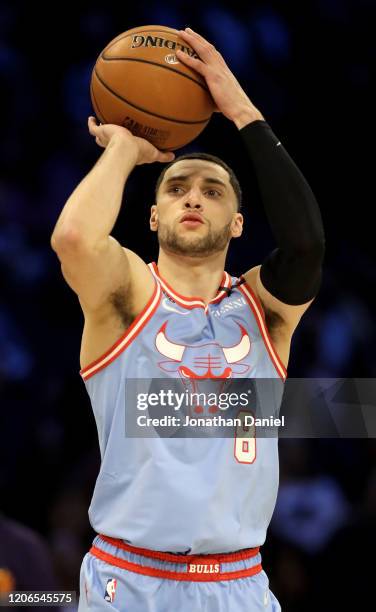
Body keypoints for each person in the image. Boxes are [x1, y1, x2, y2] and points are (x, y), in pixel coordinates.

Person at [51, 26, 325, 612]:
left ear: (239, 224)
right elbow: (74, 237)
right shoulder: (127, 294)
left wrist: (241, 109)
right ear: (152, 217)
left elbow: (306, 247)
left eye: (213, 191)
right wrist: (125, 148)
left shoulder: (264, 311)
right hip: (129, 579)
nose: (194, 198)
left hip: (240, 583)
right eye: (176, 188)